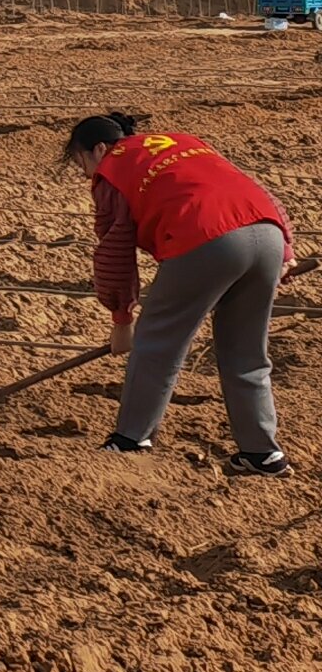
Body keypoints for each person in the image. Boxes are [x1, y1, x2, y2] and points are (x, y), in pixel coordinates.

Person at [66, 113, 294, 475]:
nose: (85, 175)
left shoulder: (112, 169)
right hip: (267, 233)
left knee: (157, 343)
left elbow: (115, 253)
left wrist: (122, 320)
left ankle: (130, 439)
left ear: (98, 149)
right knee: (245, 353)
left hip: (205, 237)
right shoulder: (186, 143)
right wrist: (286, 251)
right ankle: (262, 454)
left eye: (81, 164)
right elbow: (248, 187)